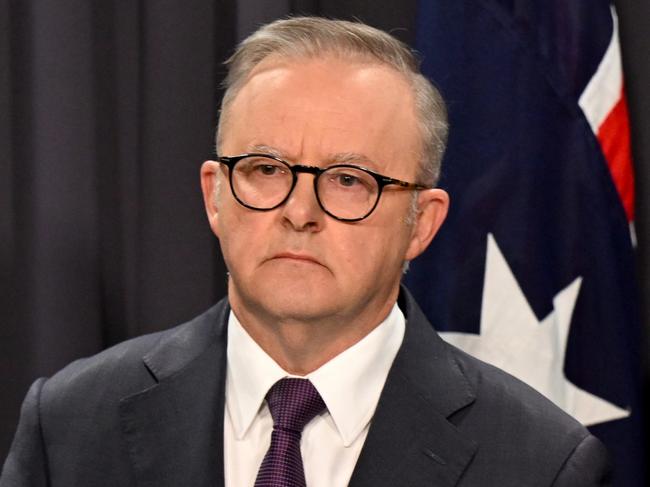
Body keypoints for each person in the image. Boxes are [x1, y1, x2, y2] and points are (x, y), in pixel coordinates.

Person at [1, 16, 610, 487]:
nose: (299, 212)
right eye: (266, 169)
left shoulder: (541, 462)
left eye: (349, 179)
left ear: (421, 223)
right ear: (216, 196)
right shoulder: (71, 425)